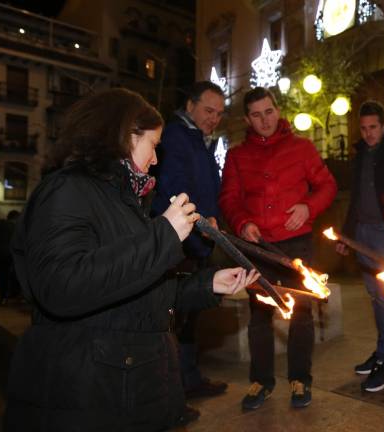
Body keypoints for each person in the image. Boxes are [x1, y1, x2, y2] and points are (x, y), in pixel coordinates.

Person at [4, 88, 259, 431]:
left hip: (128, 386)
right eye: (153, 146)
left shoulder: (124, 201)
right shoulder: (66, 191)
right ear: (124, 137)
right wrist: (164, 234)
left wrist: (207, 284)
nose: (156, 160)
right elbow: (62, 286)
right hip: (85, 395)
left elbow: (139, 285)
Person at [218, 87, 337, 410]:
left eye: (268, 112)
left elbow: (327, 185)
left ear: (278, 110)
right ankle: (261, 380)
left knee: (301, 313)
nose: (264, 120)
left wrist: (307, 208)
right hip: (257, 247)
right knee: (259, 314)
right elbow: (228, 198)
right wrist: (242, 223)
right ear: (247, 119)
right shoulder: (237, 156)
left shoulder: (302, 148)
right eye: (256, 115)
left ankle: (300, 379)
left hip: (296, 242)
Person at [150, 81, 228, 402]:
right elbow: (175, 187)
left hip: (199, 241)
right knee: (176, 317)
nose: (214, 118)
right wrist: (198, 220)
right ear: (190, 104)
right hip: (181, 243)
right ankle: (174, 391)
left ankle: (188, 380)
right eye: (208, 110)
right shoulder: (176, 137)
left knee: (189, 317)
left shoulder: (200, 141)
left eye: (220, 114)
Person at [336, 100, 384, 392]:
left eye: (373, 128)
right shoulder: (361, 155)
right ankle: (382, 352)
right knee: (374, 295)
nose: (368, 134)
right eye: (364, 128)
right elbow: (355, 199)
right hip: (363, 231)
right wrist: (346, 235)